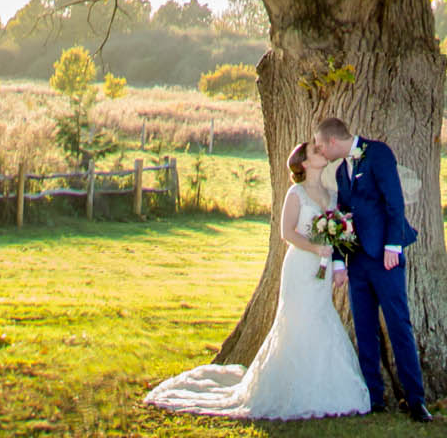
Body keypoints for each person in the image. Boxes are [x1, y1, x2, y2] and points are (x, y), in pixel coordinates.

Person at [145, 138, 371, 419]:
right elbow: (287, 233)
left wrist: (336, 257)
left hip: (322, 270)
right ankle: (289, 387)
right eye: (315, 151)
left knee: (321, 315)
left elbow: (335, 229)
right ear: (303, 163)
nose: (321, 152)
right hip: (301, 266)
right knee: (298, 321)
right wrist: (315, 248)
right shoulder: (295, 194)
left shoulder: (330, 193)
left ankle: (325, 385)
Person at [310, 116, 430, 422]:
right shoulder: (340, 173)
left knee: (398, 325)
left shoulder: (378, 153)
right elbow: (340, 219)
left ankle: (416, 400)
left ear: (333, 142)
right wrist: (339, 262)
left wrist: (394, 245)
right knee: (364, 331)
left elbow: (394, 201)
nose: (321, 151)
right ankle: (374, 397)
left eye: (321, 146)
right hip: (358, 262)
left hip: (385, 258)